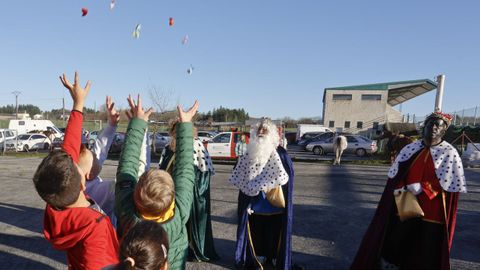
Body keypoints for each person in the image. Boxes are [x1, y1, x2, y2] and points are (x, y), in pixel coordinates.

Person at [351, 112, 467, 270]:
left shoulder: (449, 152)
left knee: (428, 241)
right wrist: (402, 187)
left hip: (432, 207)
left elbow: (449, 183)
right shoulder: (411, 148)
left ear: (444, 131)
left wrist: (425, 188)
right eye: (431, 124)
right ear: (424, 127)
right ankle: (390, 263)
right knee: (397, 235)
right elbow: (397, 174)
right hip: (406, 199)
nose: (434, 127)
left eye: (439, 126)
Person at [32, 72, 119, 269]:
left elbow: (70, 146)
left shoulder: (55, 205)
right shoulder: (94, 227)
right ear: (83, 181)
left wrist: (78, 105)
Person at [115, 95, 199, 270]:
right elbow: (185, 171)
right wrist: (185, 126)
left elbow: (127, 166)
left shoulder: (126, 210)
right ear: (172, 197)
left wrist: (137, 123)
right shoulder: (180, 212)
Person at [229, 118, 294, 270]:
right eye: (259, 131)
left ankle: (274, 256)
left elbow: (288, 178)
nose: (261, 133)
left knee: (274, 232)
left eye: (265, 131)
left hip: (275, 206)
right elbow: (239, 174)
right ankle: (257, 257)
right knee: (256, 232)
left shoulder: (281, 154)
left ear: (272, 135)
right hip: (254, 206)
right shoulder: (248, 154)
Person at [159, 121, 219, 262]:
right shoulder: (169, 147)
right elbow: (162, 168)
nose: (178, 133)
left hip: (189, 192)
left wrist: (192, 189)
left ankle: (192, 248)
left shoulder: (196, 144)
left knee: (189, 221)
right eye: (175, 131)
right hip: (170, 192)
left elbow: (204, 173)